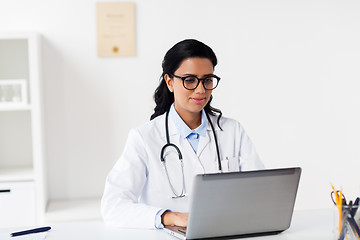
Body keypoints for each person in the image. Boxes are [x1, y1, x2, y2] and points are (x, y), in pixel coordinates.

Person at [101, 39, 264, 229]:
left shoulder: (232, 131)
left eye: (208, 79)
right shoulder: (144, 138)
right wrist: (172, 218)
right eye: (190, 80)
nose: (201, 89)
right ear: (170, 82)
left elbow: (260, 192)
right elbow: (113, 207)